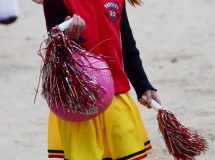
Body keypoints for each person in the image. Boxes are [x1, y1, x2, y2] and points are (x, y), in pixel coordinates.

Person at [33, 0, 161, 159]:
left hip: (117, 95)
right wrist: (72, 38)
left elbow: (127, 45)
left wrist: (143, 85)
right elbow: (56, 53)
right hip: (79, 102)